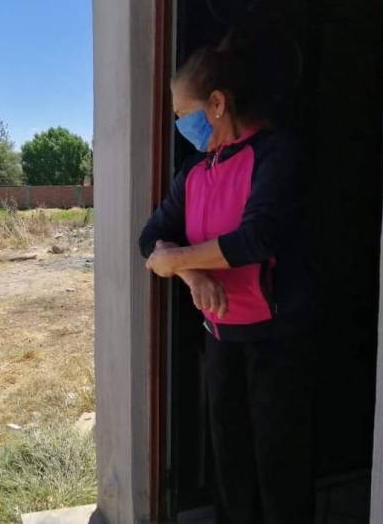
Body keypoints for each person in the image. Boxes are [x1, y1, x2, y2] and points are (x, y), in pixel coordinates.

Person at [139, 35, 319, 524]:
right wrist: (191, 273)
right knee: (230, 462)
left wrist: (174, 260)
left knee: (280, 466)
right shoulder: (195, 172)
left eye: (183, 113)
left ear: (217, 104)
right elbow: (151, 237)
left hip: (277, 342)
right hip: (221, 336)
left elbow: (257, 238)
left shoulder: (276, 153)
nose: (180, 125)